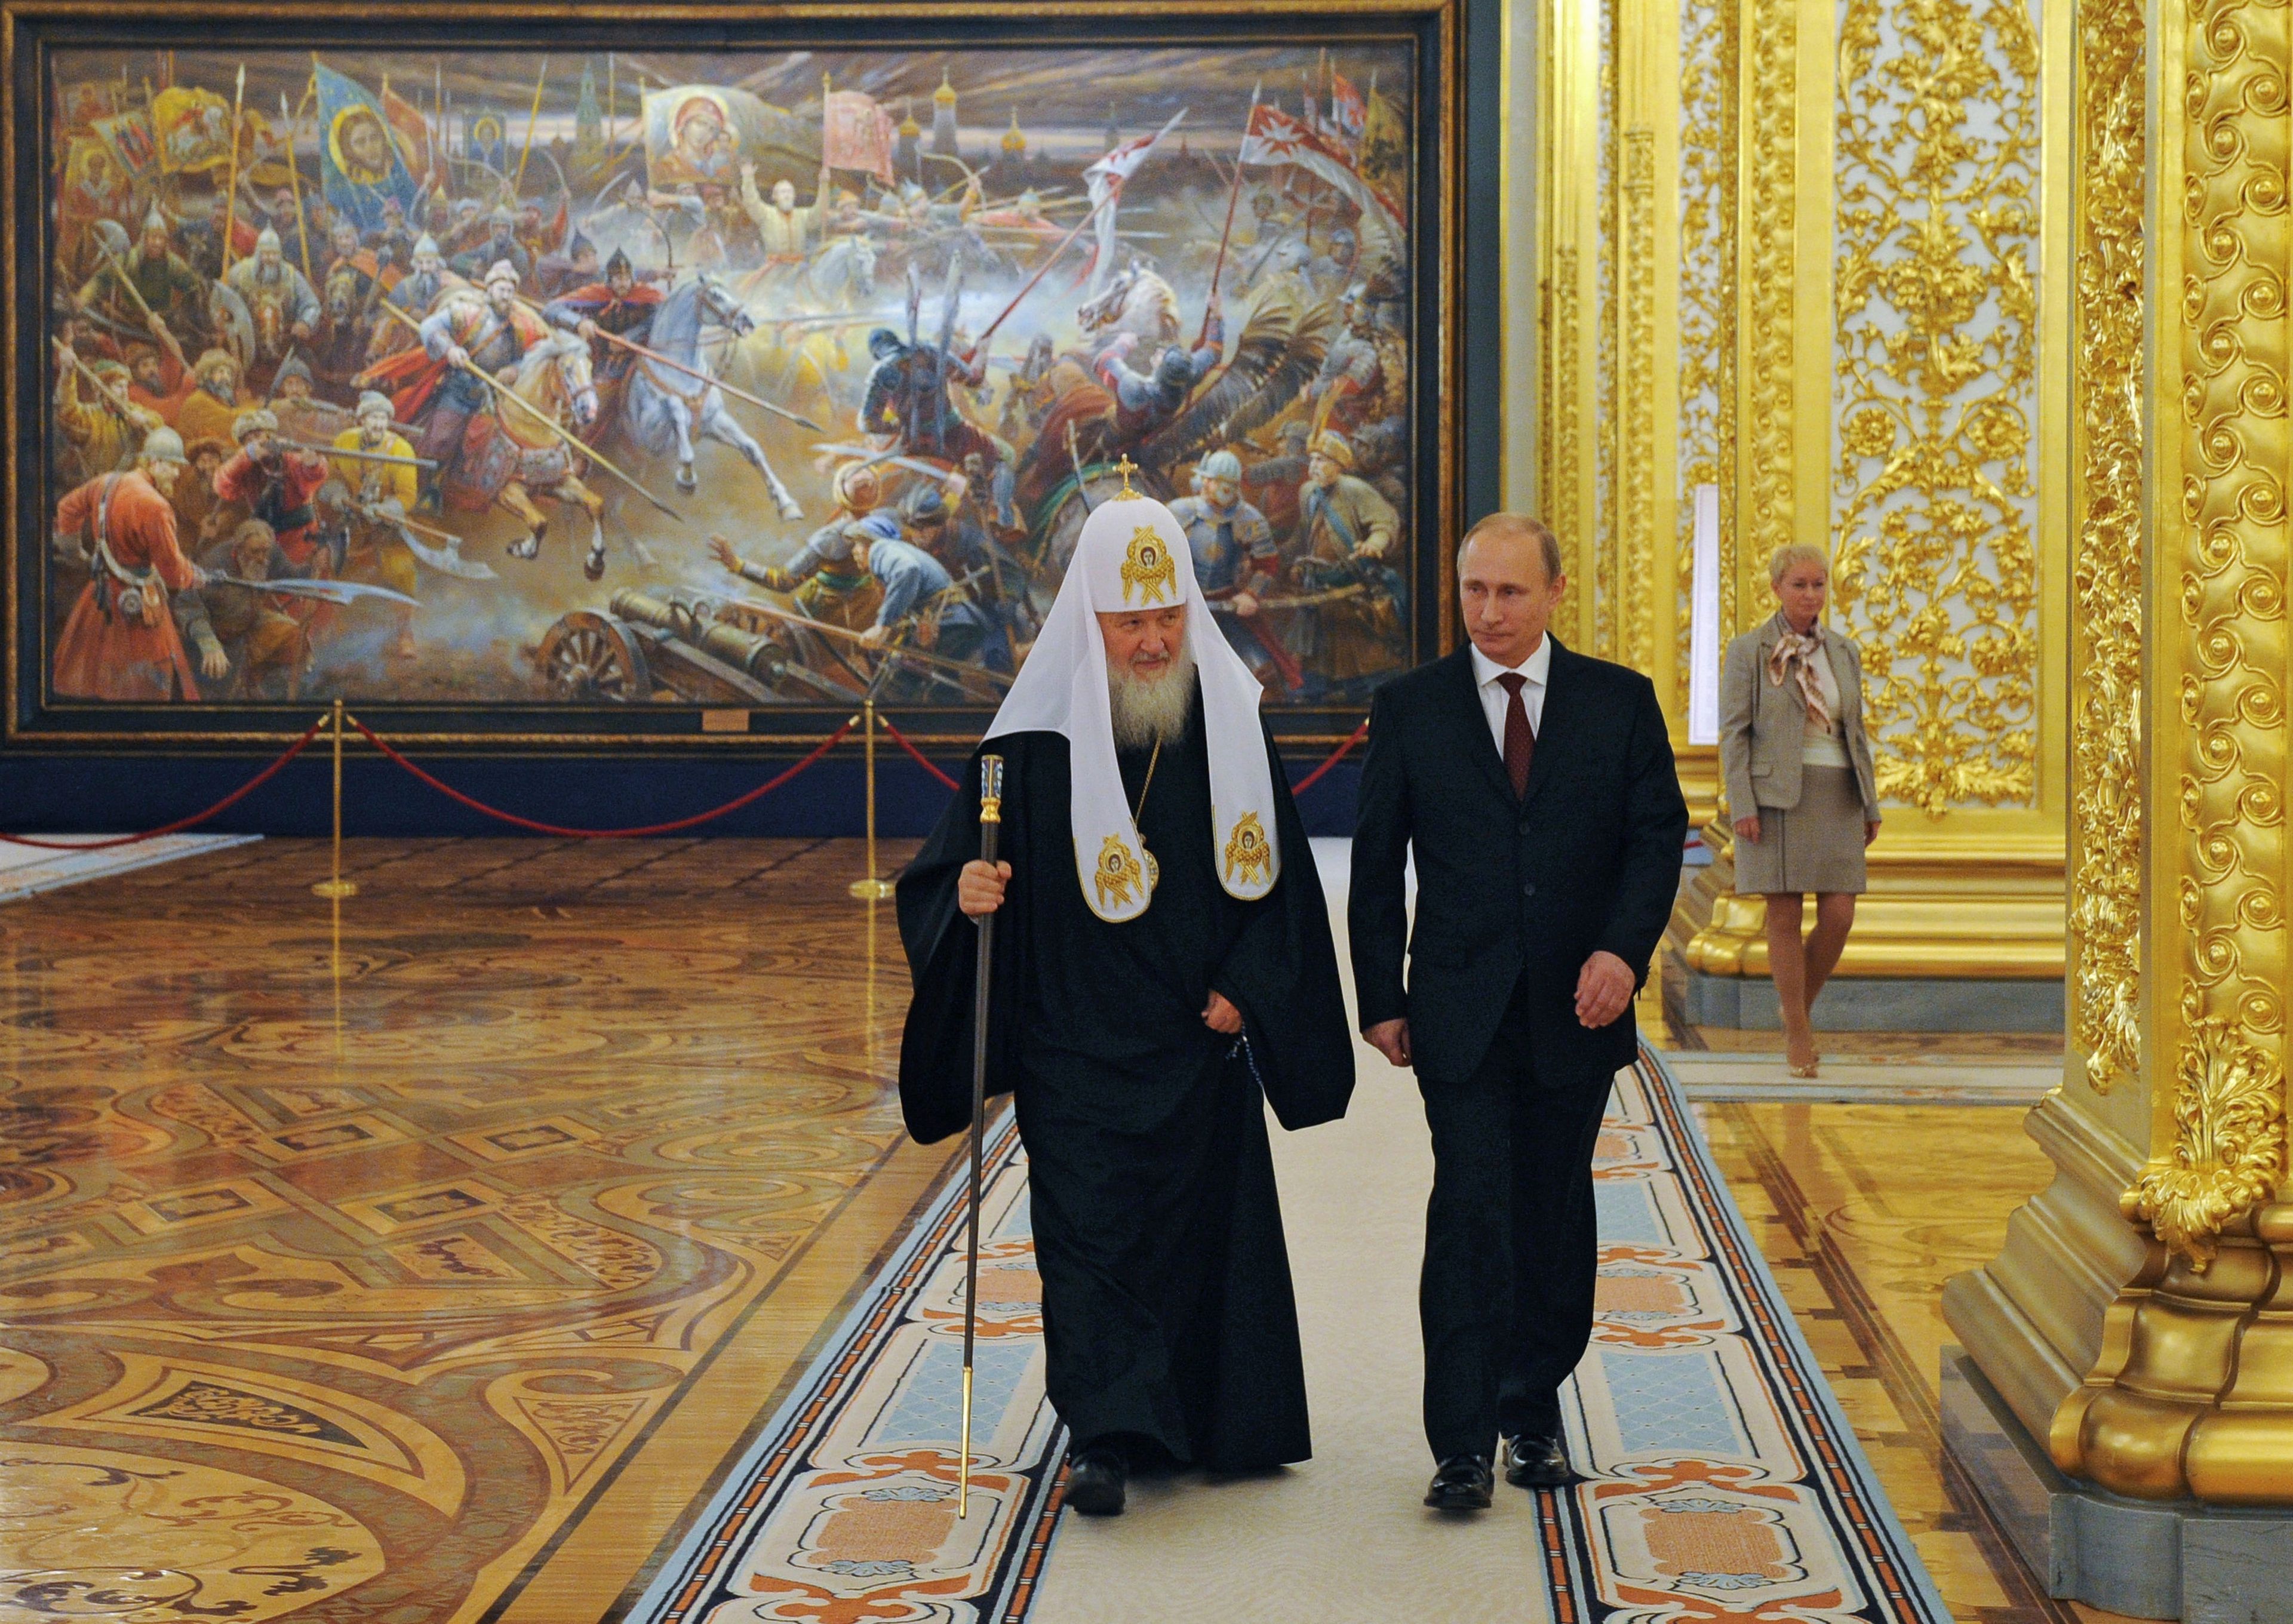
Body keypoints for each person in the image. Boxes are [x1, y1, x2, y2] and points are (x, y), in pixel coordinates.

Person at [896, 488, 1353, 1518]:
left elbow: (1277, 880)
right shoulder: (1027, 750)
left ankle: (1217, 1420)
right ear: (1087, 621)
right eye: (1129, 623)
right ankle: (1106, 1434)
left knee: (1200, 1236)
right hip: (1074, 1046)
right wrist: (966, 896)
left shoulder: (1227, 723)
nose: (1151, 643)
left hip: (1197, 1037)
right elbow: (944, 877)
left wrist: (1248, 985)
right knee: (1090, 1243)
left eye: (1166, 621)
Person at [1350, 512, 1688, 1512]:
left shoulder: (1619, 704)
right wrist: (1380, 996)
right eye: (1472, 592)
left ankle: (1529, 1411)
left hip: (1576, 1011)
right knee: (1470, 1213)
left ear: (1553, 594)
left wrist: (1623, 954)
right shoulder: (1410, 707)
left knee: (1551, 1213)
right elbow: (1376, 865)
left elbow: (1655, 839)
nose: (1487, 612)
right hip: (1458, 1010)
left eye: (1508, 593)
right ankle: (1458, 1443)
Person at [1718, 543, 1883, 1077]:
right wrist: (1742, 802)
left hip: (1838, 793)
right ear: (1777, 589)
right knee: (1784, 915)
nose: (1811, 595)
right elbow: (1735, 734)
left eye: (1819, 585)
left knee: (1840, 914)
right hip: (1775, 798)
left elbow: (1855, 732)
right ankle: (1799, 1031)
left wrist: (1870, 802)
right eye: (1800, 585)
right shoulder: (1749, 650)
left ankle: (1795, 1016)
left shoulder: (1844, 650)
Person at [51, 426, 210, 700]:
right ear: (152, 462)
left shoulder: (107, 482)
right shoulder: (156, 506)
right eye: (172, 466)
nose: (177, 474)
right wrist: (194, 576)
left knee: (93, 676)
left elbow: (67, 507)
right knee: (145, 684)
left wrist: (73, 550)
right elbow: (172, 573)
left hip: (99, 597)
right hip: (138, 605)